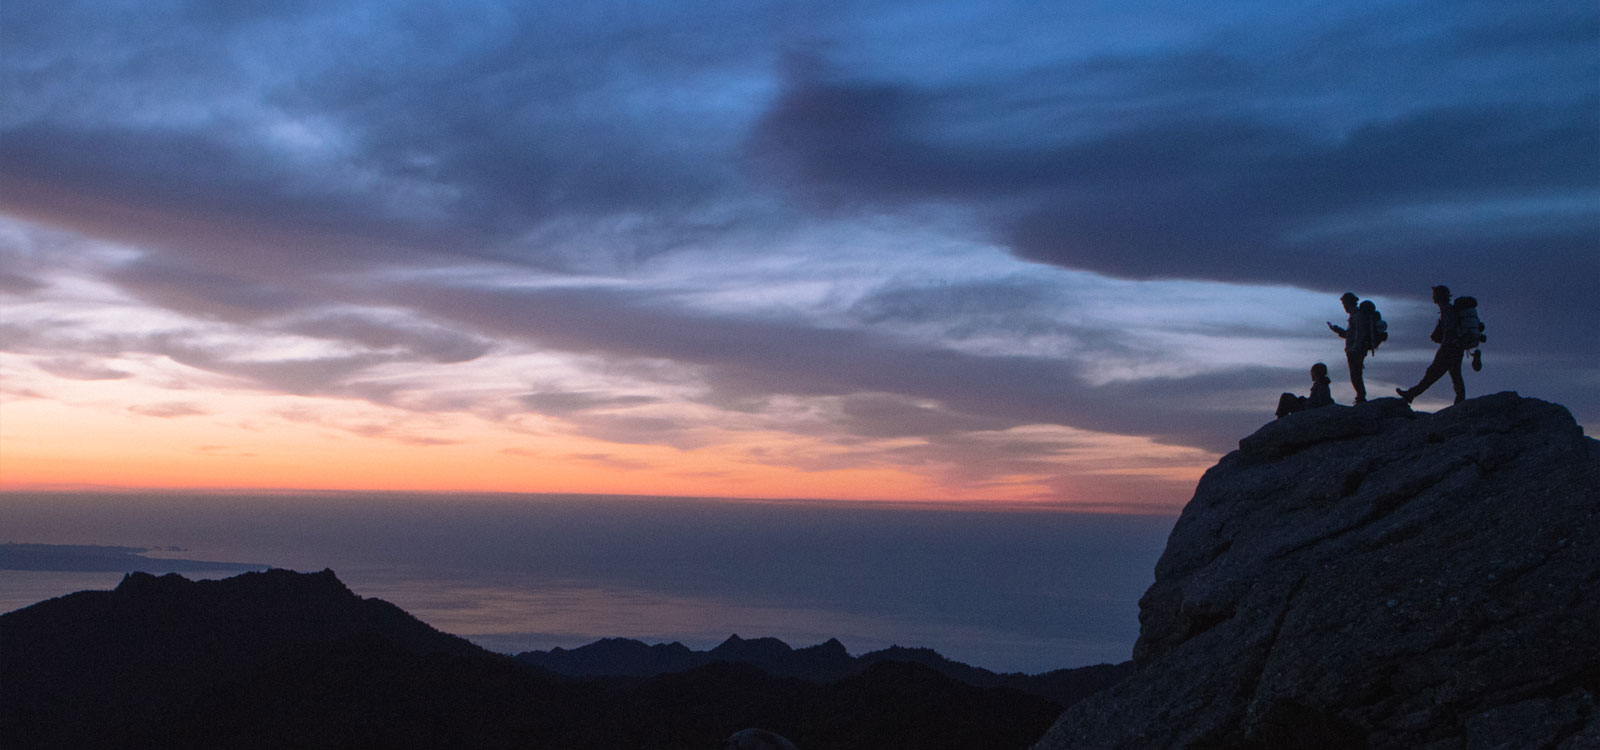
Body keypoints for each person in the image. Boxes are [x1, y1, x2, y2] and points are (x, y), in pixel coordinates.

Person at [1397, 285, 1466, 405]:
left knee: (1433, 373)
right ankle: (1460, 399)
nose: (1433, 297)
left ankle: (1411, 394)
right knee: (1454, 373)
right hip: (1456, 347)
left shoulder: (1447, 310)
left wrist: (1445, 344)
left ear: (1439, 296)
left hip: (1449, 348)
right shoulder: (1448, 309)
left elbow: (1450, 329)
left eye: (1434, 294)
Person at [1327, 292, 1374, 403]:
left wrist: (1354, 348)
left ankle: (1361, 397)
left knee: (1356, 375)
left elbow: (1359, 334)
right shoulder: (1354, 316)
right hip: (1354, 350)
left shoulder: (1357, 316)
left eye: (1344, 304)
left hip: (1356, 351)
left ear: (1349, 303)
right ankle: (1360, 396)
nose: (1344, 307)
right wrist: (1336, 329)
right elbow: (1349, 334)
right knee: (1355, 374)